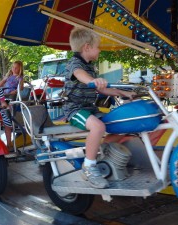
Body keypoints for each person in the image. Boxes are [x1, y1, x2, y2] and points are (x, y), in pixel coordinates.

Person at [62, 27, 136, 189]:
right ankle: (88, 167)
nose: (100, 50)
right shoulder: (75, 63)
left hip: (89, 108)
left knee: (117, 125)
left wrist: (124, 92)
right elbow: (80, 75)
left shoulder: (90, 66)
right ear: (87, 47)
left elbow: (102, 89)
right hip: (74, 109)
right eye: (98, 46)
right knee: (98, 126)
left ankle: (102, 153)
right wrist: (93, 80)